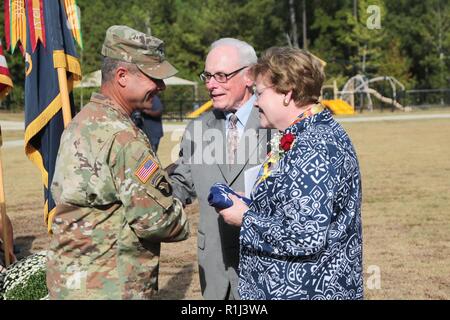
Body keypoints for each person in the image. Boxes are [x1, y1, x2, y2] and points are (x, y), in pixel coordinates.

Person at [47, 25, 189, 300]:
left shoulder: (82, 122)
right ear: (122, 76)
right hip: (111, 287)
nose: (161, 86)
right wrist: (178, 197)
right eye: (153, 77)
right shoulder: (124, 137)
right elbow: (157, 222)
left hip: (71, 283)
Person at [218, 47, 364, 300]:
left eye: (260, 93)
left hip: (307, 290)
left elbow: (306, 235)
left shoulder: (315, 146)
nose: (255, 101)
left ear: (287, 93)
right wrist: (253, 203)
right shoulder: (303, 134)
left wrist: (246, 218)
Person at [169, 38, 272, 300]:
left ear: (249, 76)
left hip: (262, 267)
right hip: (213, 268)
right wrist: (147, 190)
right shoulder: (198, 128)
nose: (211, 85)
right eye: (208, 76)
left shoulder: (273, 123)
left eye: (221, 76)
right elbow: (182, 183)